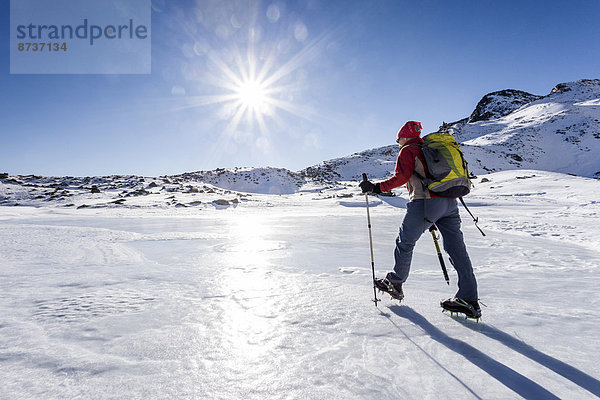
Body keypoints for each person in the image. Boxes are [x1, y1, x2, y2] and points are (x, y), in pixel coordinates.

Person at [359, 121, 481, 318]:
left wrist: (375, 188)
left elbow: (401, 177)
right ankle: (469, 298)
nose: (397, 142)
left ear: (404, 136)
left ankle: (395, 282)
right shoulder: (428, 149)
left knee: (405, 241)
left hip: (425, 202)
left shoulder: (408, 150)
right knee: (457, 249)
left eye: (398, 139)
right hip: (450, 203)